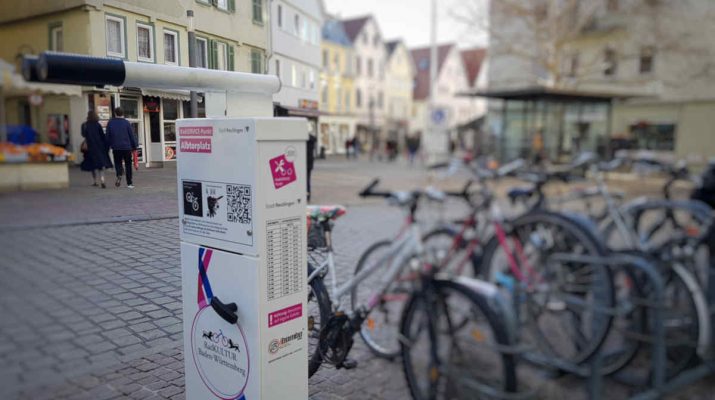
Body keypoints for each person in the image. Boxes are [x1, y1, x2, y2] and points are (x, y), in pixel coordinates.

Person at [106, 107, 138, 188]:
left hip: (116, 147)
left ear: (115, 113)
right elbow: (131, 135)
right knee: (128, 165)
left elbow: (108, 136)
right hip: (126, 147)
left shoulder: (110, 123)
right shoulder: (126, 123)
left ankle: (119, 175)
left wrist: (107, 146)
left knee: (117, 163)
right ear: (123, 113)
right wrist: (134, 146)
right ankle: (129, 183)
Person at [80, 111, 112, 188]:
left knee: (92, 165)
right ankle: (102, 180)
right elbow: (102, 136)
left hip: (90, 148)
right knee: (100, 165)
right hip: (99, 147)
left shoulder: (85, 125)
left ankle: (95, 181)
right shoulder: (98, 125)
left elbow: (83, 134)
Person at [306, 133, 316, 201]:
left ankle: (306, 195)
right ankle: (308, 196)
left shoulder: (305, 141)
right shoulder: (312, 141)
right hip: (309, 163)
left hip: (304, 163)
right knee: (308, 181)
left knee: (304, 181)